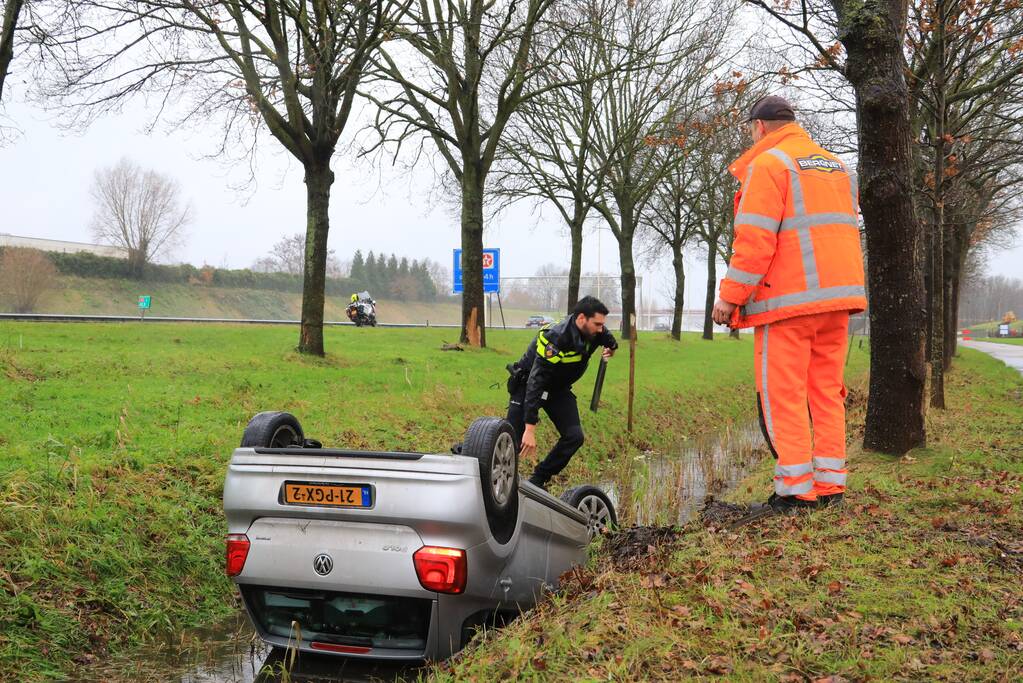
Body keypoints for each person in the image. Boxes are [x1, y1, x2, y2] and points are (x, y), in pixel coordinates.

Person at [712, 95, 866, 513]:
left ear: (759, 127)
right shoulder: (838, 168)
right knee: (826, 392)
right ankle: (831, 484)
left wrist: (730, 297)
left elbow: (755, 240)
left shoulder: (770, 165)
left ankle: (796, 490)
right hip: (838, 301)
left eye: (748, 130)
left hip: (789, 304)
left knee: (784, 394)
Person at [506, 296, 618, 490]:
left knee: (574, 437)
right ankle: (470, 452)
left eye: (602, 325)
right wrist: (530, 428)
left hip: (558, 390)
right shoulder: (556, 337)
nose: (601, 329)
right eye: (597, 324)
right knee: (512, 441)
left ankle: (538, 479)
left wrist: (612, 349)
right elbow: (536, 381)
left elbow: (609, 340)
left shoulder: (595, 331)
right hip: (528, 385)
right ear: (581, 318)